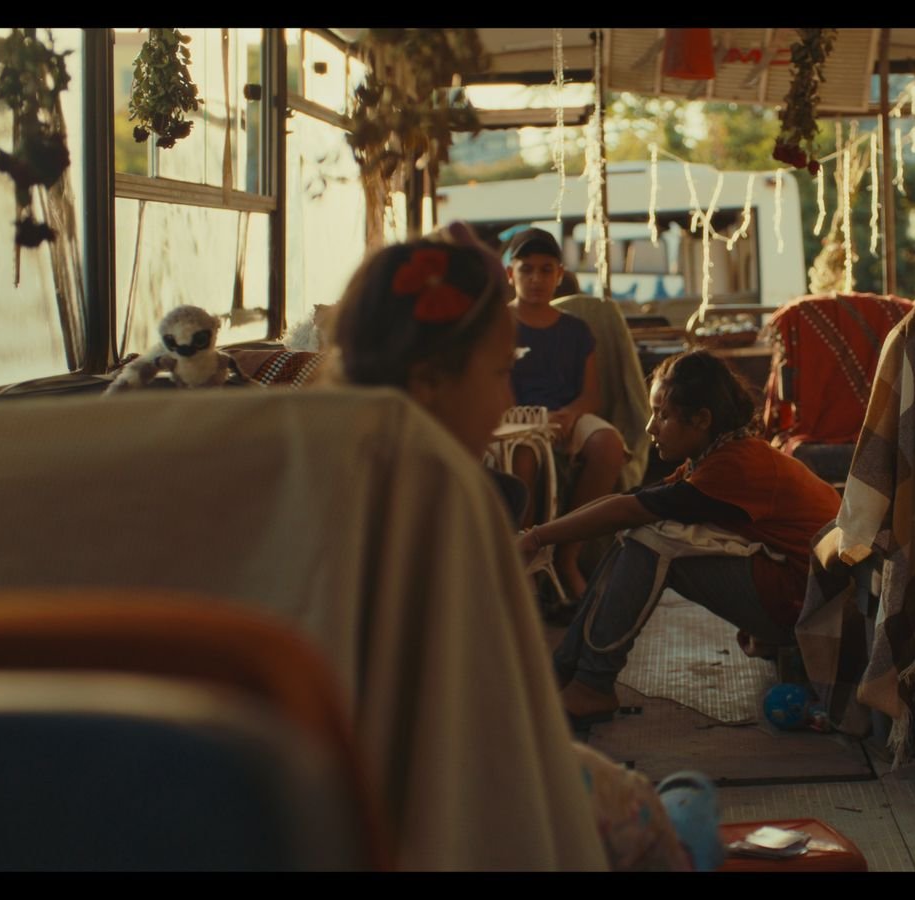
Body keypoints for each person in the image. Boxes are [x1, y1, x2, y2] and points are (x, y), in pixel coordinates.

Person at [327, 224, 712, 871]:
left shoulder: (319, 472)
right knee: (676, 807)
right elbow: (501, 745)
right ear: (431, 380)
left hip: (324, 806)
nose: (509, 397)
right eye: (502, 372)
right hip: (447, 814)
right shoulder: (452, 507)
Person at [521, 349, 842, 725]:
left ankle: (592, 683)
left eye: (662, 415)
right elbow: (630, 501)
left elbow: (630, 511)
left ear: (701, 419)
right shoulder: (714, 456)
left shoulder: (737, 465)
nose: (650, 428)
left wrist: (536, 538)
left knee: (650, 540)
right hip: (791, 588)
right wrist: (536, 535)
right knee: (639, 531)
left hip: (808, 606)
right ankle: (567, 671)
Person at [505, 227, 629, 597]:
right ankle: (525, 566)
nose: (536, 279)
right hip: (515, 422)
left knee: (608, 444)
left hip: (566, 417)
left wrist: (571, 414)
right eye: (526, 269)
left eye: (546, 270)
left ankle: (568, 557)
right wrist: (536, 421)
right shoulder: (497, 325)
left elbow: (592, 395)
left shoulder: (576, 330)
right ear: (510, 274)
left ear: (560, 274)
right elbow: (491, 390)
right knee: (524, 454)